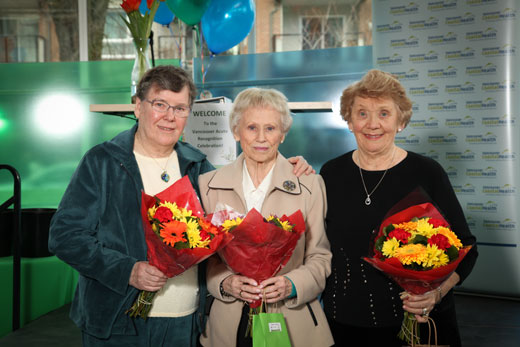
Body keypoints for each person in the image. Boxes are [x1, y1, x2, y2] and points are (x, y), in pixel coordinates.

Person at [48, 66, 312, 346]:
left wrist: (287, 167)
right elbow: (64, 237)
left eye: (180, 108)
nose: (169, 117)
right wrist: (127, 270)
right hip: (118, 322)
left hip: (186, 323)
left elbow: (232, 215)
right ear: (138, 106)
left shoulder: (197, 165)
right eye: (159, 105)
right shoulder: (103, 162)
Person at [320, 69, 478, 347]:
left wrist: (437, 293)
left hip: (417, 320)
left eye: (384, 113)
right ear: (349, 120)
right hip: (343, 323)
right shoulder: (331, 173)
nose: (372, 124)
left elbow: (466, 248)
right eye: (362, 113)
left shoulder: (427, 172)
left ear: (400, 121)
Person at [198, 87, 334, 347]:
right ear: (236, 131)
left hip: (293, 323)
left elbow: (320, 256)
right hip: (228, 324)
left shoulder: (310, 184)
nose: (261, 137)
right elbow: (206, 259)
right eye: (251, 128)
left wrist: (291, 284)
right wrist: (226, 282)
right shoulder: (208, 185)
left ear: (283, 134)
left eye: (270, 128)